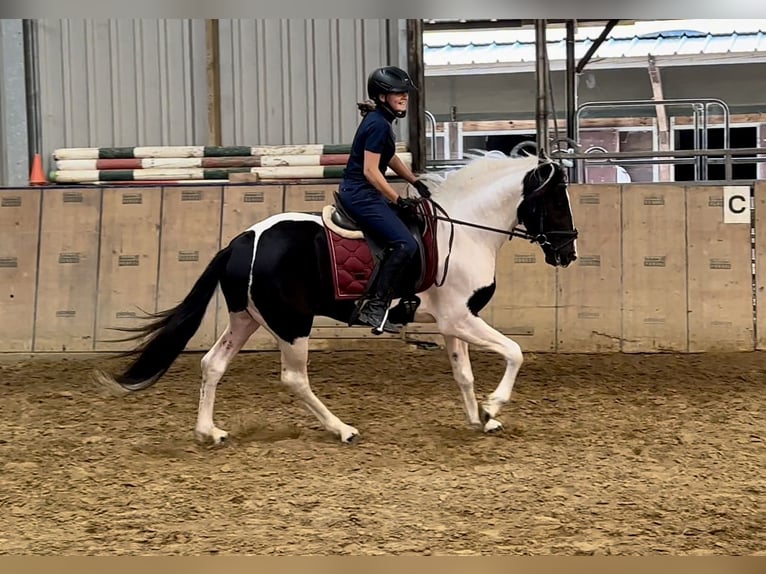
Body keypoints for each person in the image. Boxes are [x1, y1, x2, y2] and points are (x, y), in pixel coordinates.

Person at [337, 65, 431, 335]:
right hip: (360, 194)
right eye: (397, 93)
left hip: (364, 192)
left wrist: (415, 181)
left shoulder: (382, 121)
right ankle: (375, 306)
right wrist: (397, 199)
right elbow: (370, 171)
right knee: (404, 243)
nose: (404, 97)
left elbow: (388, 157)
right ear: (381, 97)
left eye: (405, 93)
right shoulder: (378, 124)